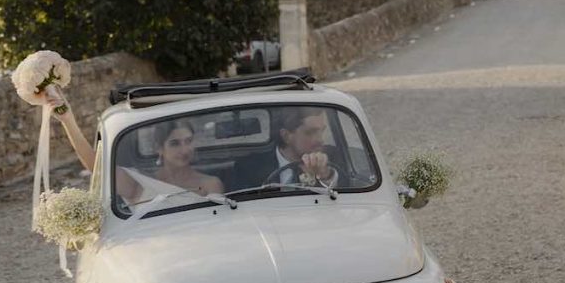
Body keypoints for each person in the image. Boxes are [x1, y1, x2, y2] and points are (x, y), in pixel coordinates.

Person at [37, 88, 222, 205]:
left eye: (188, 141)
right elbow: (96, 167)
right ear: (159, 148)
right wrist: (67, 120)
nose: (184, 150)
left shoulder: (210, 184)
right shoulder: (138, 184)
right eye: (175, 143)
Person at [235, 106, 339, 190]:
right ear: (286, 136)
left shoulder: (333, 158)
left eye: (322, 131)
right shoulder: (249, 168)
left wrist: (325, 175)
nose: (320, 140)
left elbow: (349, 194)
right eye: (310, 132)